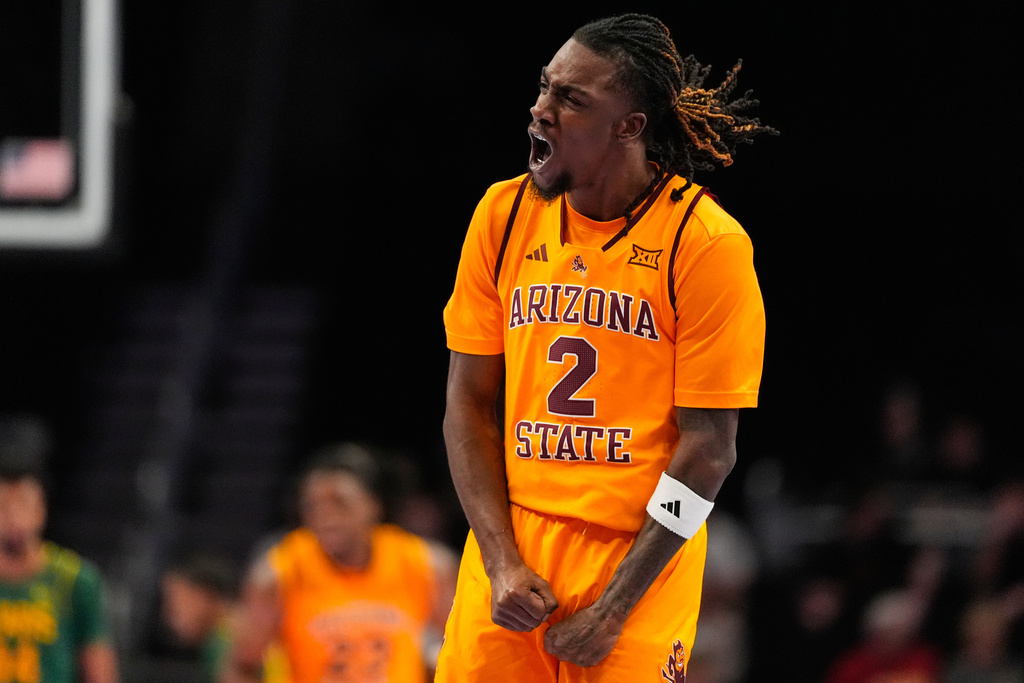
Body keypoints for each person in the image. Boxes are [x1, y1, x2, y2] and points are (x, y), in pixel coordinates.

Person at [438, 12, 773, 681]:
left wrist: (617, 605)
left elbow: (711, 448)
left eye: (571, 99)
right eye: (544, 88)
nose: (541, 109)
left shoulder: (704, 242)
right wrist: (500, 558)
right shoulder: (502, 215)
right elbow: (467, 405)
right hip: (512, 541)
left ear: (630, 126)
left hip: (638, 553)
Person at [222, 442, 459, 683]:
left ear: (374, 504)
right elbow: (241, 666)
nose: (325, 515)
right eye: (312, 506)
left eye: (339, 503)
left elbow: (458, 653)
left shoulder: (425, 564)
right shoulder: (279, 573)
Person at [0, 456, 119, 683]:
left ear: (41, 510)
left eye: (23, 504)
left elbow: (100, 669)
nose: (13, 517)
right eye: (3, 505)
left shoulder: (75, 580)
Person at [159, 551, 239, 683]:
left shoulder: (227, 641)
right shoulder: (217, 641)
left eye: (174, 603)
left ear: (203, 594)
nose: (168, 615)